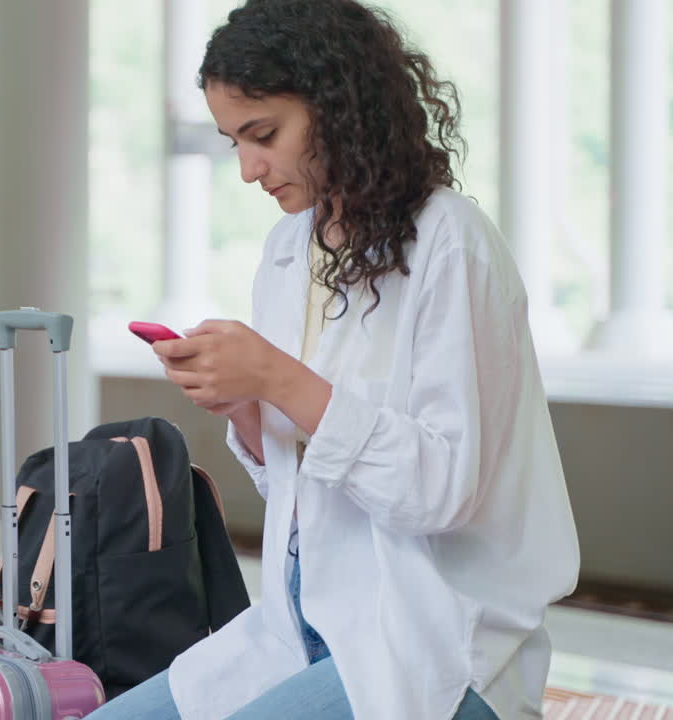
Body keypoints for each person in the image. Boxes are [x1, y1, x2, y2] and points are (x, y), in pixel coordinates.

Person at [85, 1, 579, 718]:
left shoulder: (451, 244)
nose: (252, 170)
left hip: (431, 644)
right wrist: (246, 406)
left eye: (266, 135)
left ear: (339, 104)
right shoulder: (289, 250)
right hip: (302, 624)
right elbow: (292, 485)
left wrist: (277, 377)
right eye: (234, 144)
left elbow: (440, 492)